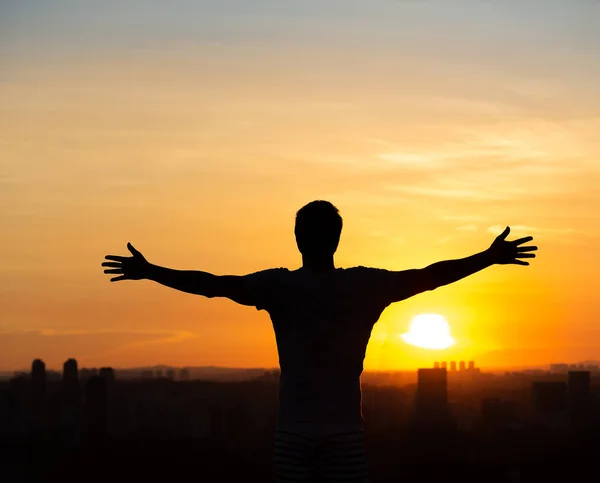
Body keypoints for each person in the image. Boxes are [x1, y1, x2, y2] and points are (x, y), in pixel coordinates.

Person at [102, 200, 537, 482]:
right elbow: (428, 277)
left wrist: (152, 271)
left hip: (293, 432)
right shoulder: (363, 287)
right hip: (345, 431)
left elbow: (213, 284)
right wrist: (487, 258)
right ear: (337, 239)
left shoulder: (278, 288)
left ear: (297, 238)